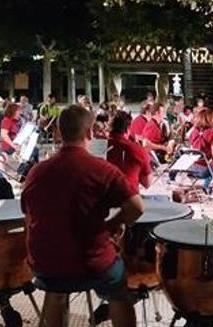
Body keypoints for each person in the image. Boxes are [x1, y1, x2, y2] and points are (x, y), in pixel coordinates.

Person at [22, 105, 145, 327]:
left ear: (59, 133)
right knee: (119, 290)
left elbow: (27, 212)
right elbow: (137, 208)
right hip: (90, 262)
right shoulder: (102, 170)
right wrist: (112, 224)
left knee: (56, 289)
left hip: (43, 263)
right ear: (90, 133)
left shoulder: (36, 171)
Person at [107, 112, 153, 191]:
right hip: (127, 199)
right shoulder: (136, 149)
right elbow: (147, 183)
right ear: (128, 128)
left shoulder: (97, 145)